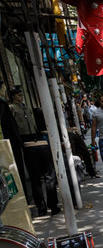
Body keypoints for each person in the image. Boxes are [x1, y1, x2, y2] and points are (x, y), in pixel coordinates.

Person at [9, 86, 61, 216]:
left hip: (35, 137)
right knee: (35, 177)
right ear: (14, 96)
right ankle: (41, 207)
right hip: (24, 138)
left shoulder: (26, 107)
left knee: (47, 176)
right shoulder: (12, 108)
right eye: (18, 95)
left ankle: (51, 205)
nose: (21, 96)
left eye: (21, 94)